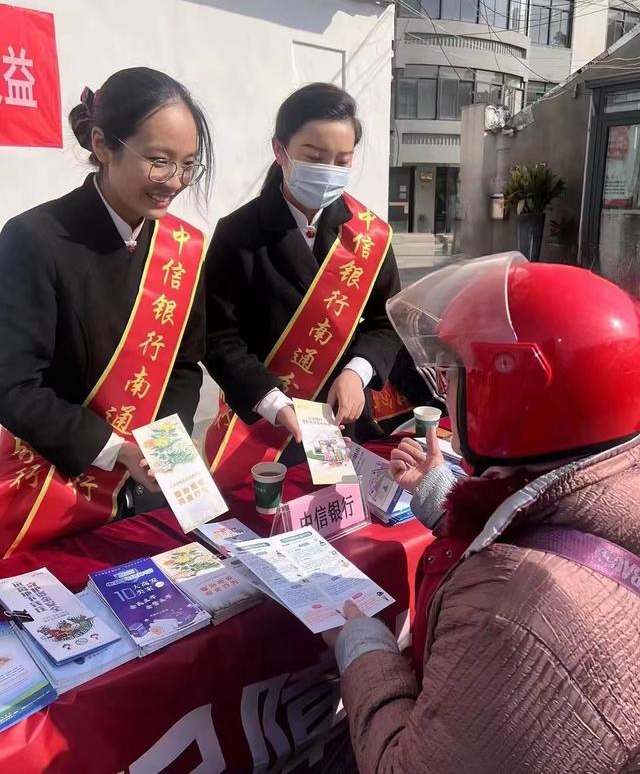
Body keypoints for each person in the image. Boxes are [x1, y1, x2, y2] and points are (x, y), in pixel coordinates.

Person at [325, 253, 640, 773]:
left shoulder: (510, 616)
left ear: (515, 390)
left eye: (456, 375)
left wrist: (363, 650)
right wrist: (443, 496)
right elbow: (561, 529)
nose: (445, 391)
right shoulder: (617, 478)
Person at [0, 67, 213, 557]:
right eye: (158, 161)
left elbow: (184, 365)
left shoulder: (181, 248)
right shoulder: (35, 239)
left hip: (147, 485)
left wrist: (163, 450)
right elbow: (13, 386)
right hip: (55, 486)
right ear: (102, 144)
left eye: (188, 165)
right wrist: (115, 451)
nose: (174, 182)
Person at [204, 83, 401, 488]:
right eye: (314, 157)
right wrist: (272, 402)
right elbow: (218, 335)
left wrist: (357, 371)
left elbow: (388, 320)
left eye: (342, 161)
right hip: (263, 424)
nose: (329, 170)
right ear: (280, 151)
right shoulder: (238, 233)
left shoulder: (369, 236)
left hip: (344, 417)